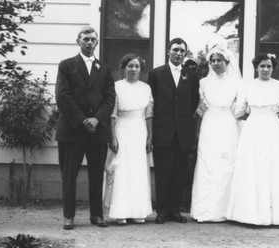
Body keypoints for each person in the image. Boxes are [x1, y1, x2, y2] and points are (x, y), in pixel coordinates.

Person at [55, 26, 116, 230]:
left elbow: (109, 98)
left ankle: (96, 215)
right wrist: (83, 120)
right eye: (86, 39)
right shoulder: (66, 66)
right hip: (72, 130)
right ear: (78, 41)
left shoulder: (105, 69)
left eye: (93, 40)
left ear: (97, 43)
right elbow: (63, 97)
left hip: (97, 131)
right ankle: (69, 216)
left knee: (97, 174)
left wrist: (97, 119)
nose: (90, 43)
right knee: (69, 175)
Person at [226, 53, 279, 226]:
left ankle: (274, 214)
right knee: (253, 168)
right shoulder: (247, 86)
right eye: (262, 66)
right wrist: (256, 118)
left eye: (269, 66)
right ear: (256, 68)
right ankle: (249, 214)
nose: (265, 69)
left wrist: (271, 120)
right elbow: (238, 111)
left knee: (271, 168)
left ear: (273, 68)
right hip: (253, 131)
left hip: (273, 131)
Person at [147, 38, 200, 224]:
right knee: (163, 171)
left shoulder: (191, 75)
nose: (178, 54)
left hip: (183, 132)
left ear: (185, 54)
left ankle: (175, 210)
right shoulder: (156, 74)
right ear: (168, 51)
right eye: (175, 50)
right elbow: (151, 101)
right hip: (164, 131)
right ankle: (161, 211)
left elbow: (193, 101)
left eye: (182, 51)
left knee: (179, 172)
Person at [190, 47, 241, 222]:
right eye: (213, 60)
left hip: (227, 124)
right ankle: (204, 211)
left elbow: (240, 108)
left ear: (227, 62)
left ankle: (225, 210)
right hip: (209, 124)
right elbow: (198, 106)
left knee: (226, 164)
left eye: (220, 60)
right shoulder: (203, 83)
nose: (216, 64)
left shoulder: (236, 83)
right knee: (207, 164)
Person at [103, 53, 153, 225]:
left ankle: (138, 211)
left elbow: (149, 114)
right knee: (122, 170)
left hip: (139, 131)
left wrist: (150, 136)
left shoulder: (146, 88)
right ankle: (120, 212)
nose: (133, 69)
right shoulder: (116, 87)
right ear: (123, 68)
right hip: (122, 129)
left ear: (141, 69)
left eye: (136, 66)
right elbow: (112, 114)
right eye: (130, 66)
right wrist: (113, 137)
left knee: (138, 170)